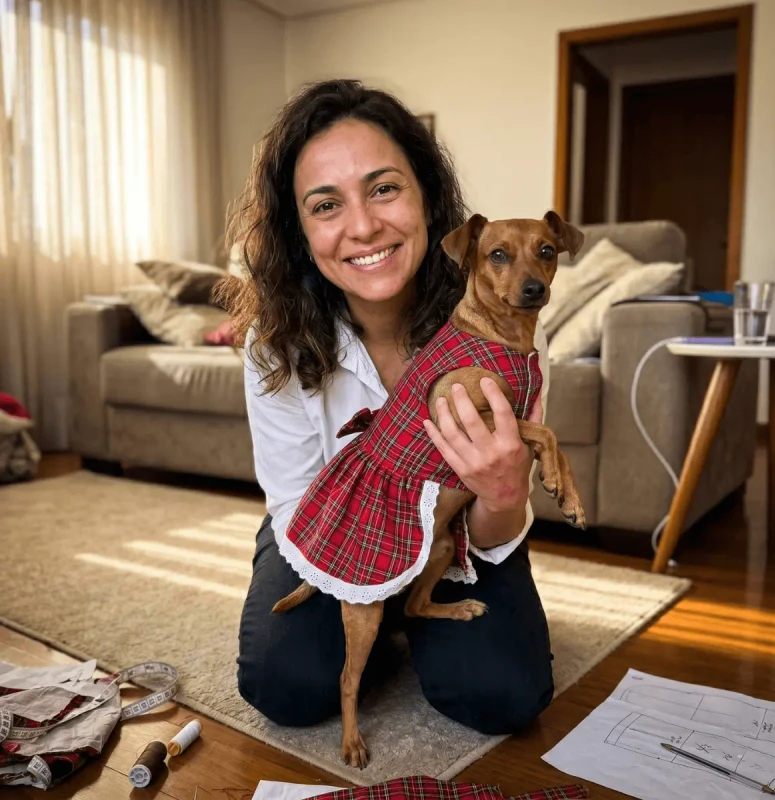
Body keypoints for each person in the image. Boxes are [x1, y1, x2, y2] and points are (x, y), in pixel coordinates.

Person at [222, 79, 554, 736]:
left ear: (427, 197)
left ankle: (415, 616)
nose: (365, 225)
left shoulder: (506, 319)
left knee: (502, 698)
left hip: (457, 532)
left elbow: (497, 517)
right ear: (299, 231)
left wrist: (503, 497)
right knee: (284, 686)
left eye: (383, 188)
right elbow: (291, 500)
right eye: (325, 204)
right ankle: (386, 622)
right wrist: (365, 581)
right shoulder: (276, 343)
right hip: (334, 522)